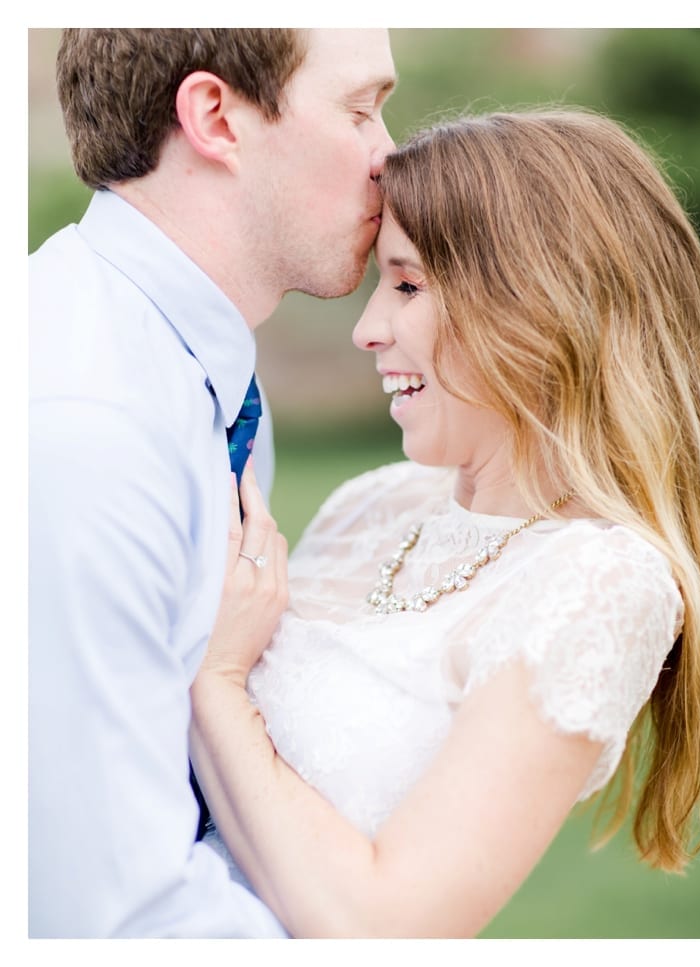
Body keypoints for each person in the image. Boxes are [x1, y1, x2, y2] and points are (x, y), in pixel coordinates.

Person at [186, 110, 700, 938]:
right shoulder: (370, 503)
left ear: (537, 304)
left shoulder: (604, 580)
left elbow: (384, 926)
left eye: (406, 284)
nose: (367, 329)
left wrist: (216, 682)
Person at [29, 29, 396, 937]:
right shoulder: (85, 427)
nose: (391, 157)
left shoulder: (218, 389)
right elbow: (111, 917)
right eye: (360, 111)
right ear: (214, 118)